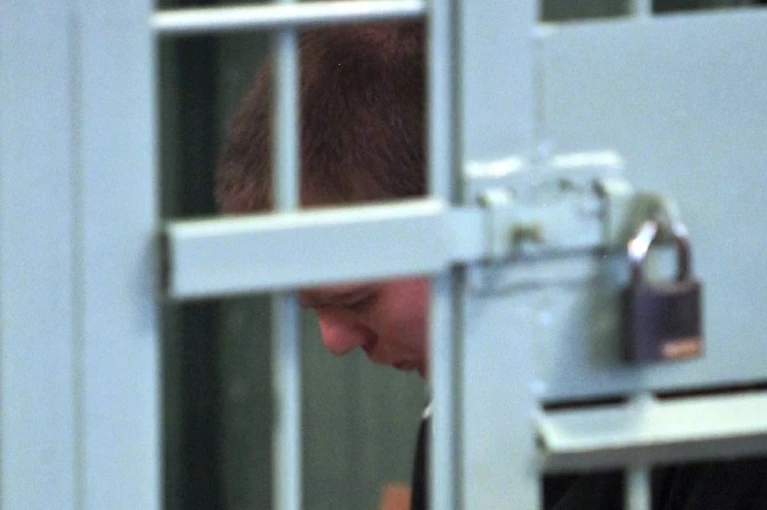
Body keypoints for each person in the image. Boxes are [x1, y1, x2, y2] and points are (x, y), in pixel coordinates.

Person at [215, 22, 767, 510]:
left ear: (480, 226)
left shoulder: (727, 428)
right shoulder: (460, 413)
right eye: (307, 304)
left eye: (356, 299)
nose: (332, 340)